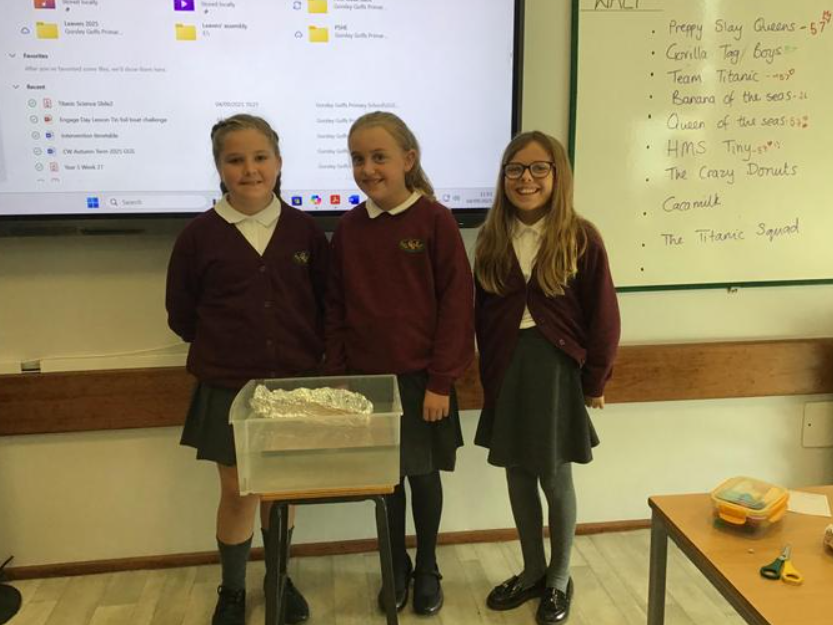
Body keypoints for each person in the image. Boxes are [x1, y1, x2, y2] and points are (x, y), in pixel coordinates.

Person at [166, 114, 327, 625]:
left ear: (278, 163)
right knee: (238, 491)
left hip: (294, 388)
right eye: (236, 160)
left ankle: (279, 579)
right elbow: (182, 315)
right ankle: (233, 590)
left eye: (260, 158)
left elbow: (326, 304)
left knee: (280, 492)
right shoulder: (198, 236)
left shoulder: (306, 231)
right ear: (220, 168)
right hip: (228, 387)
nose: (250, 169)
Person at [325, 111, 474, 616]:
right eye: (358, 159)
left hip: (423, 382)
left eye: (379, 157)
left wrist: (440, 382)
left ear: (408, 160)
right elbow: (335, 309)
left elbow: (457, 307)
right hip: (367, 385)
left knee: (424, 477)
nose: (367, 169)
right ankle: (396, 567)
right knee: (385, 483)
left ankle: (427, 566)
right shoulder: (349, 229)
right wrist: (340, 379)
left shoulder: (435, 221)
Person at [473, 131, 620, 624]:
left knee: (555, 476)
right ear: (503, 177)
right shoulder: (491, 239)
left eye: (539, 168)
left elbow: (604, 317)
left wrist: (595, 381)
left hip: (554, 369)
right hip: (506, 368)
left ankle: (558, 576)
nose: (526, 179)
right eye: (515, 169)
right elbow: (482, 315)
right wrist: (487, 376)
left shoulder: (580, 237)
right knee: (517, 472)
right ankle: (532, 569)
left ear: (558, 175)